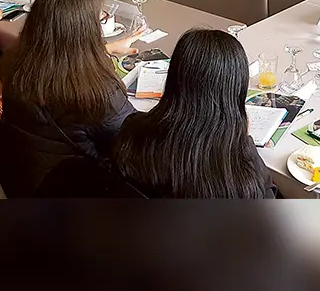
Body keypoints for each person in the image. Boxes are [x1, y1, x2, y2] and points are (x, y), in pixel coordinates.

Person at [0, 0, 145, 196]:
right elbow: (137, 143)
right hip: (75, 196)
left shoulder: (14, 62)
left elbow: (60, 52)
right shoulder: (98, 92)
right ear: (85, 30)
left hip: (26, 177)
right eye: (101, 19)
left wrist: (104, 49)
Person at [113, 29, 277, 198]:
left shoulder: (132, 130)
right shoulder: (239, 175)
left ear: (173, 78)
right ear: (236, 91)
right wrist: (245, 141)